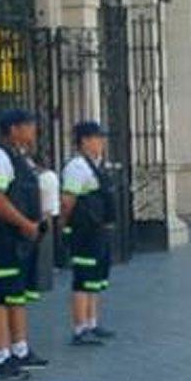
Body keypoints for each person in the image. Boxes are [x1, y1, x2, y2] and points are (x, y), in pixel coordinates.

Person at [0, 109, 50, 379]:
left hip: (21, 237)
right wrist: (25, 223)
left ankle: (20, 349)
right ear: (14, 129)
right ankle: (2, 356)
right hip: (5, 238)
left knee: (17, 294)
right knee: (2, 295)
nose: (34, 131)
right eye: (30, 126)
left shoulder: (19, 158)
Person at [60, 121, 117, 346]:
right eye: (97, 138)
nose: (101, 142)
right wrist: (64, 227)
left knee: (95, 279)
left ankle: (92, 323)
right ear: (84, 141)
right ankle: (80, 328)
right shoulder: (76, 167)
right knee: (83, 279)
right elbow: (67, 201)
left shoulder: (97, 164)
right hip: (84, 231)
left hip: (98, 230)